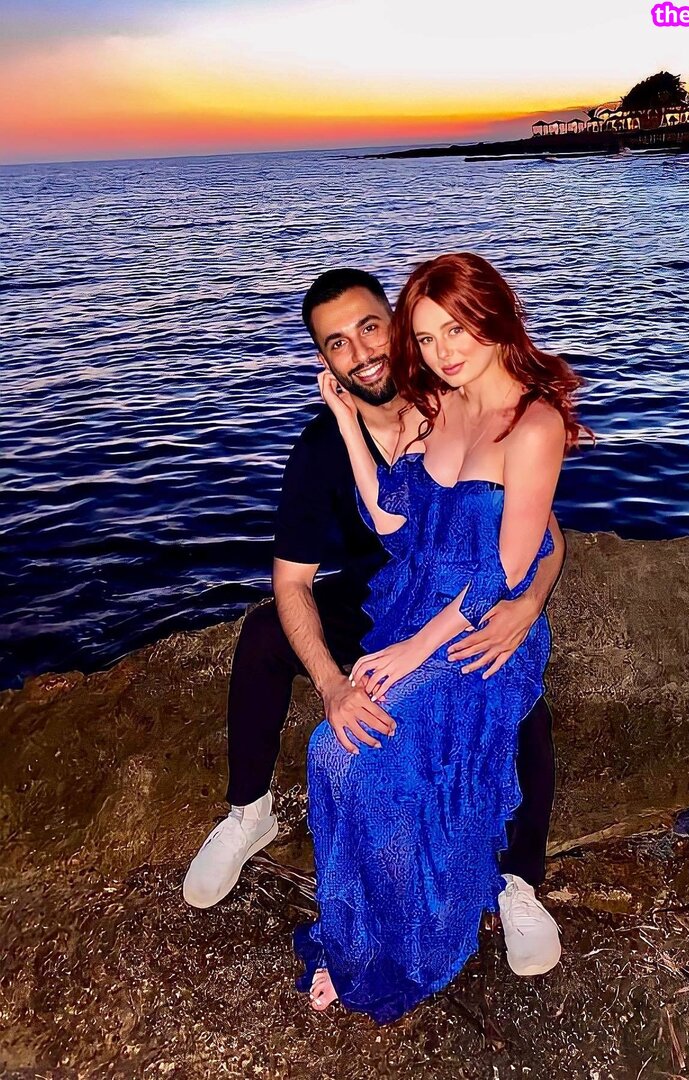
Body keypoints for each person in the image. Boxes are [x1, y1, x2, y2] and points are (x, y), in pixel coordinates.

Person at [183, 264, 567, 980]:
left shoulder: (448, 397)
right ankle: (249, 812)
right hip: (381, 598)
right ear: (324, 360)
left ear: (393, 326)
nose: (360, 351)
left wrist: (528, 603)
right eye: (337, 343)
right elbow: (298, 577)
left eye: (370, 327)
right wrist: (332, 684)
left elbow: (538, 535)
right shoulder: (325, 447)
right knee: (265, 633)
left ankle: (517, 880)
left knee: (521, 707)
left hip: (460, 608)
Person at [293, 252, 586, 1023]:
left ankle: (407, 946)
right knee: (338, 748)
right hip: (417, 605)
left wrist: (413, 651)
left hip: (478, 631)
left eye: (455, 330)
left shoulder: (534, 423)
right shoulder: (440, 406)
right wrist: (347, 423)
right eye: (424, 339)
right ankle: (364, 929)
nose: (442, 351)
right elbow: (393, 520)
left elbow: (508, 567)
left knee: (349, 755)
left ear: (494, 316)